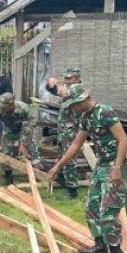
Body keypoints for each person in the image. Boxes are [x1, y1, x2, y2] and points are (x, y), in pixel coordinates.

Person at [49, 84, 127, 253]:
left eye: (74, 105)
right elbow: (76, 144)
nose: (72, 109)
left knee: (108, 212)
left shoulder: (105, 112)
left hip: (115, 165)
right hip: (101, 166)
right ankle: (100, 246)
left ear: (83, 100)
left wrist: (117, 169)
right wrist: (59, 165)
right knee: (91, 207)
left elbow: (123, 140)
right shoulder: (85, 117)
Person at [45, 67, 83, 199]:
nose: (66, 80)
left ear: (77, 78)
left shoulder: (78, 88)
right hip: (64, 130)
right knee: (61, 155)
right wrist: (50, 83)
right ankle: (62, 180)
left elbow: (61, 92)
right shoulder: (70, 87)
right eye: (65, 78)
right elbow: (54, 90)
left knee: (69, 159)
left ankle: (72, 190)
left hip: (71, 130)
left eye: (69, 78)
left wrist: (57, 85)